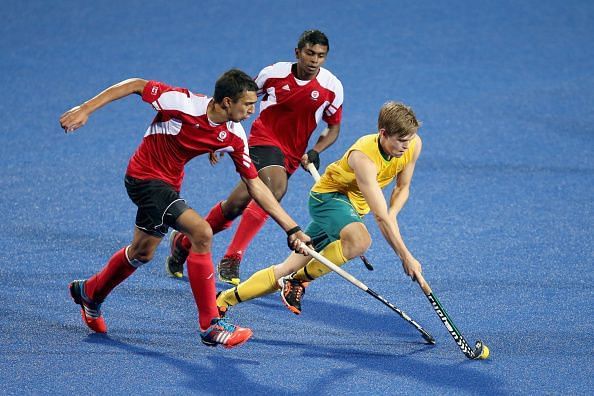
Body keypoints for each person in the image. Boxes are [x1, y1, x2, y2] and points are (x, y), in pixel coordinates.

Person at [59, 69, 311, 348]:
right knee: (201, 232)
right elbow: (134, 84)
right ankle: (211, 324)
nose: (253, 110)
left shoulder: (234, 134)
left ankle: (89, 292)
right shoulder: (182, 103)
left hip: (169, 185)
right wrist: (85, 109)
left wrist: (292, 228)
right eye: (248, 104)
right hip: (144, 178)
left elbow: (256, 185)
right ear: (227, 102)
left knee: (142, 252)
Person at [165, 30, 343, 285]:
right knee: (275, 187)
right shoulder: (273, 74)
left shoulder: (332, 87)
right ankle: (232, 257)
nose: (315, 60)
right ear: (298, 52)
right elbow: (237, 100)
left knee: (237, 204)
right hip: (263, 139)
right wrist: (216, 134)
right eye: (310, 53)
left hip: (291, 155)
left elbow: (333, 127)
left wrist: (316, 150)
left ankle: (183, 241)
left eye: (321, 56)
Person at [215, 101, 424, 318]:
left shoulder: (413, 144)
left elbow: (403, 187)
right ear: (383, 133)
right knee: (359, 241)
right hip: (328, 200)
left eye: (409, 140)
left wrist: (393, 213)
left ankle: (224, 299)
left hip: (350, 210)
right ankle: (298, 280)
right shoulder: (364, 158)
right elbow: (380, 218)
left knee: (285, 268)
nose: (406, 146)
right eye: (400, 141)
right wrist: (405, 256)